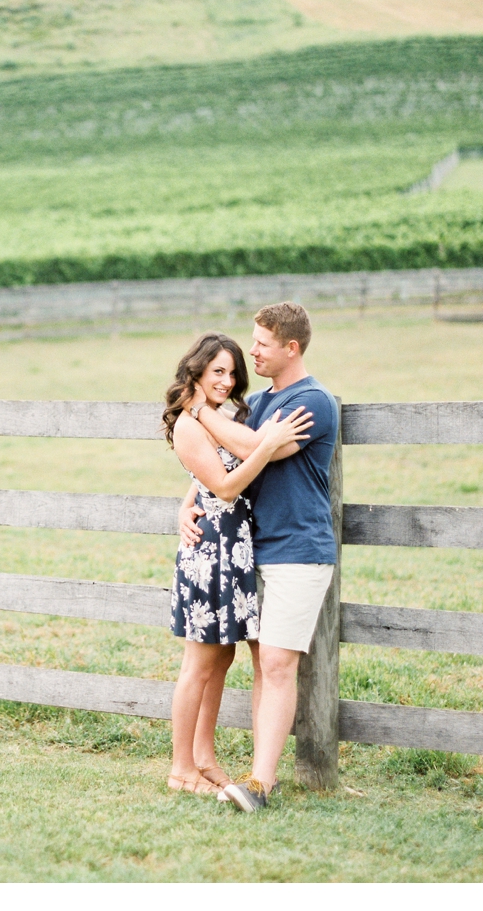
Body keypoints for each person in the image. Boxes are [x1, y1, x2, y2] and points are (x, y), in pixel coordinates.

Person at [178, 302, 339, 811]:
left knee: (275, 663)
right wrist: (186, 505)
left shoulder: (312, 402)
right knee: (257, 662)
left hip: (296, 548)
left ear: (291, 348)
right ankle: (246, 770)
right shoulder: (263, 402)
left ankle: (261, 785)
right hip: (250, 550)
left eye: (262, 344)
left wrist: (198, 408)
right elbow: (227, 461)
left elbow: (254, 449)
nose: (253, 352)